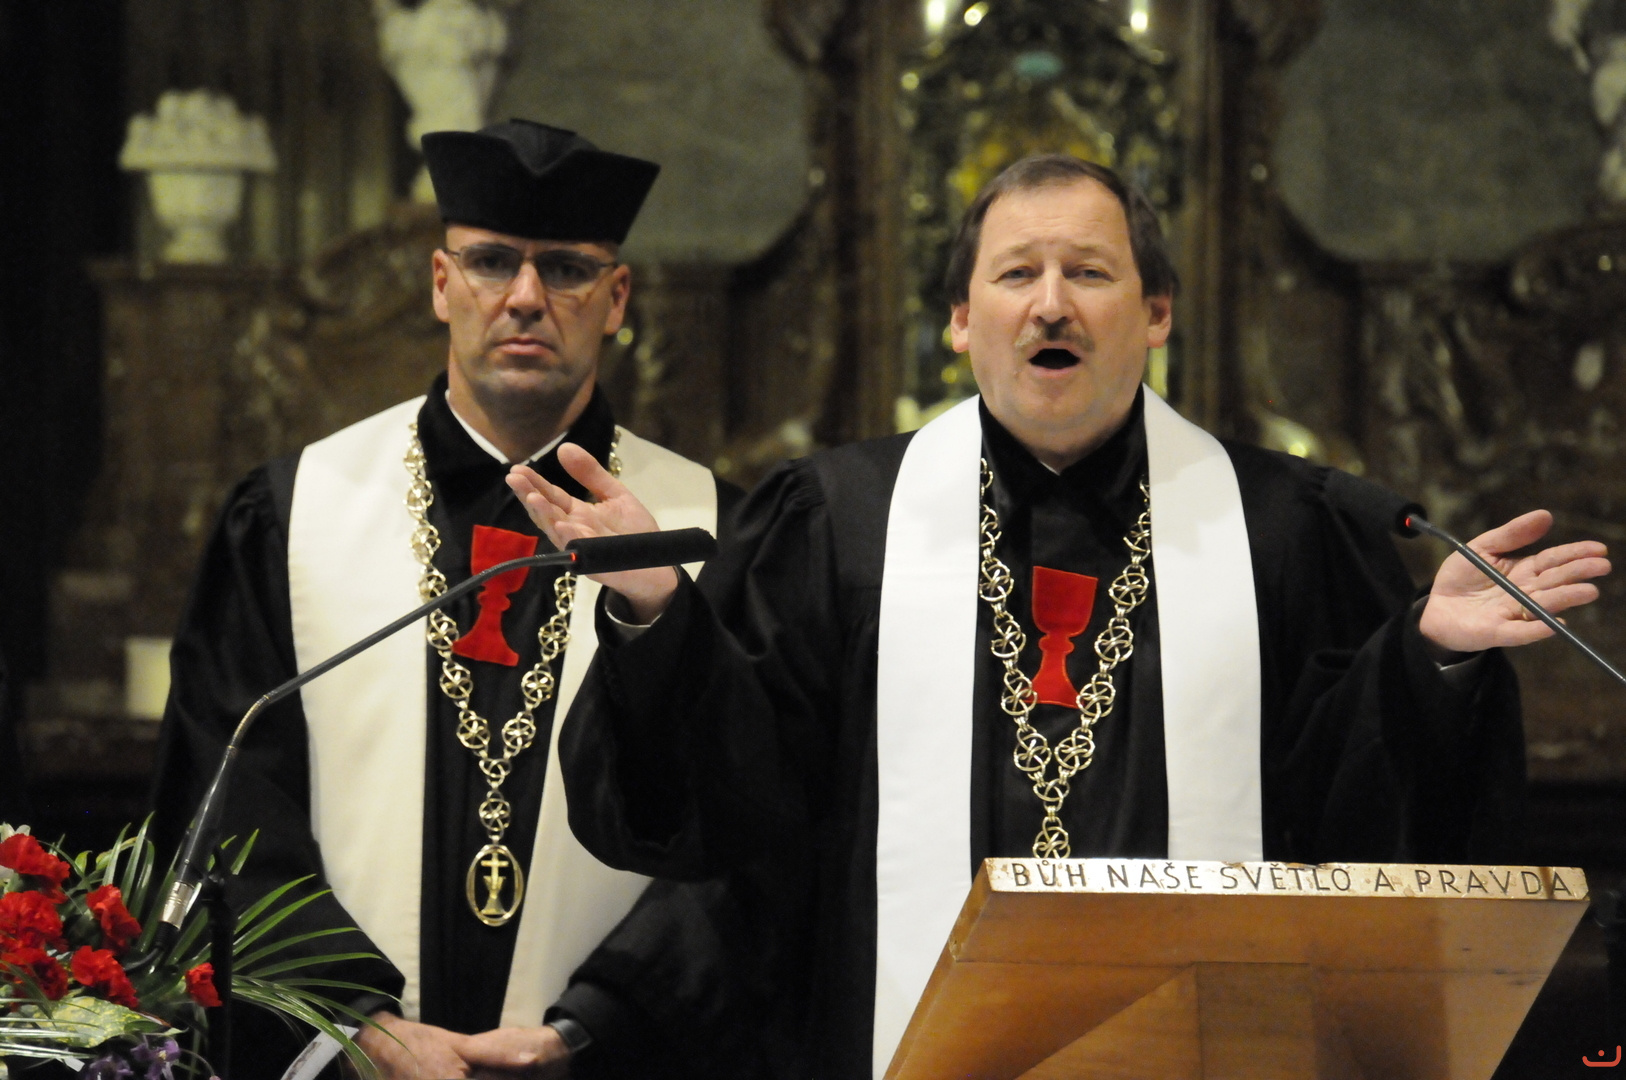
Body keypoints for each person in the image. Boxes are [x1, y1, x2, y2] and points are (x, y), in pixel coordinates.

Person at [506, 154, 1613, 1078]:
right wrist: (658, 614)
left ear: (1157, 311)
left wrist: (1429, 661)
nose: (1050, 303)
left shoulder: (1283, 525)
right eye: (1015, 273)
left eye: (1089, 271)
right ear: (959, 319)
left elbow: (1350, 819)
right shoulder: (838, 522)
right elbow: (742, 813)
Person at [152, 120, 758, 1079]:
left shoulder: (712, 532)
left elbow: (749, 835)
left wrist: (595, 1025)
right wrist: (358, 1023)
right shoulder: (292, 513)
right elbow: (225, 798)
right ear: (441, 283)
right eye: (491, 262)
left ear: (617, 299)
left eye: (566, 269)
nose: (524, 297)